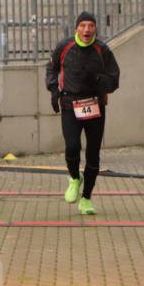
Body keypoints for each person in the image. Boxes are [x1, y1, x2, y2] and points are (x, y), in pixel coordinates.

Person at [44, 11, 120, 215]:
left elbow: (114, 79)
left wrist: (98, 80)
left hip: (95, 105)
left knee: (93, 154)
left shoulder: (102, 50)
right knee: (72, 146)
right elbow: (51, 68)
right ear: (77, 27)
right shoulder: (65, 46)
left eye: (91, 26)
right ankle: (74, 178)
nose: (87, 30)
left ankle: (86, 198)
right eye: (83, 25)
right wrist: (53, 91)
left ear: (96, 28)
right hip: (70, 104)